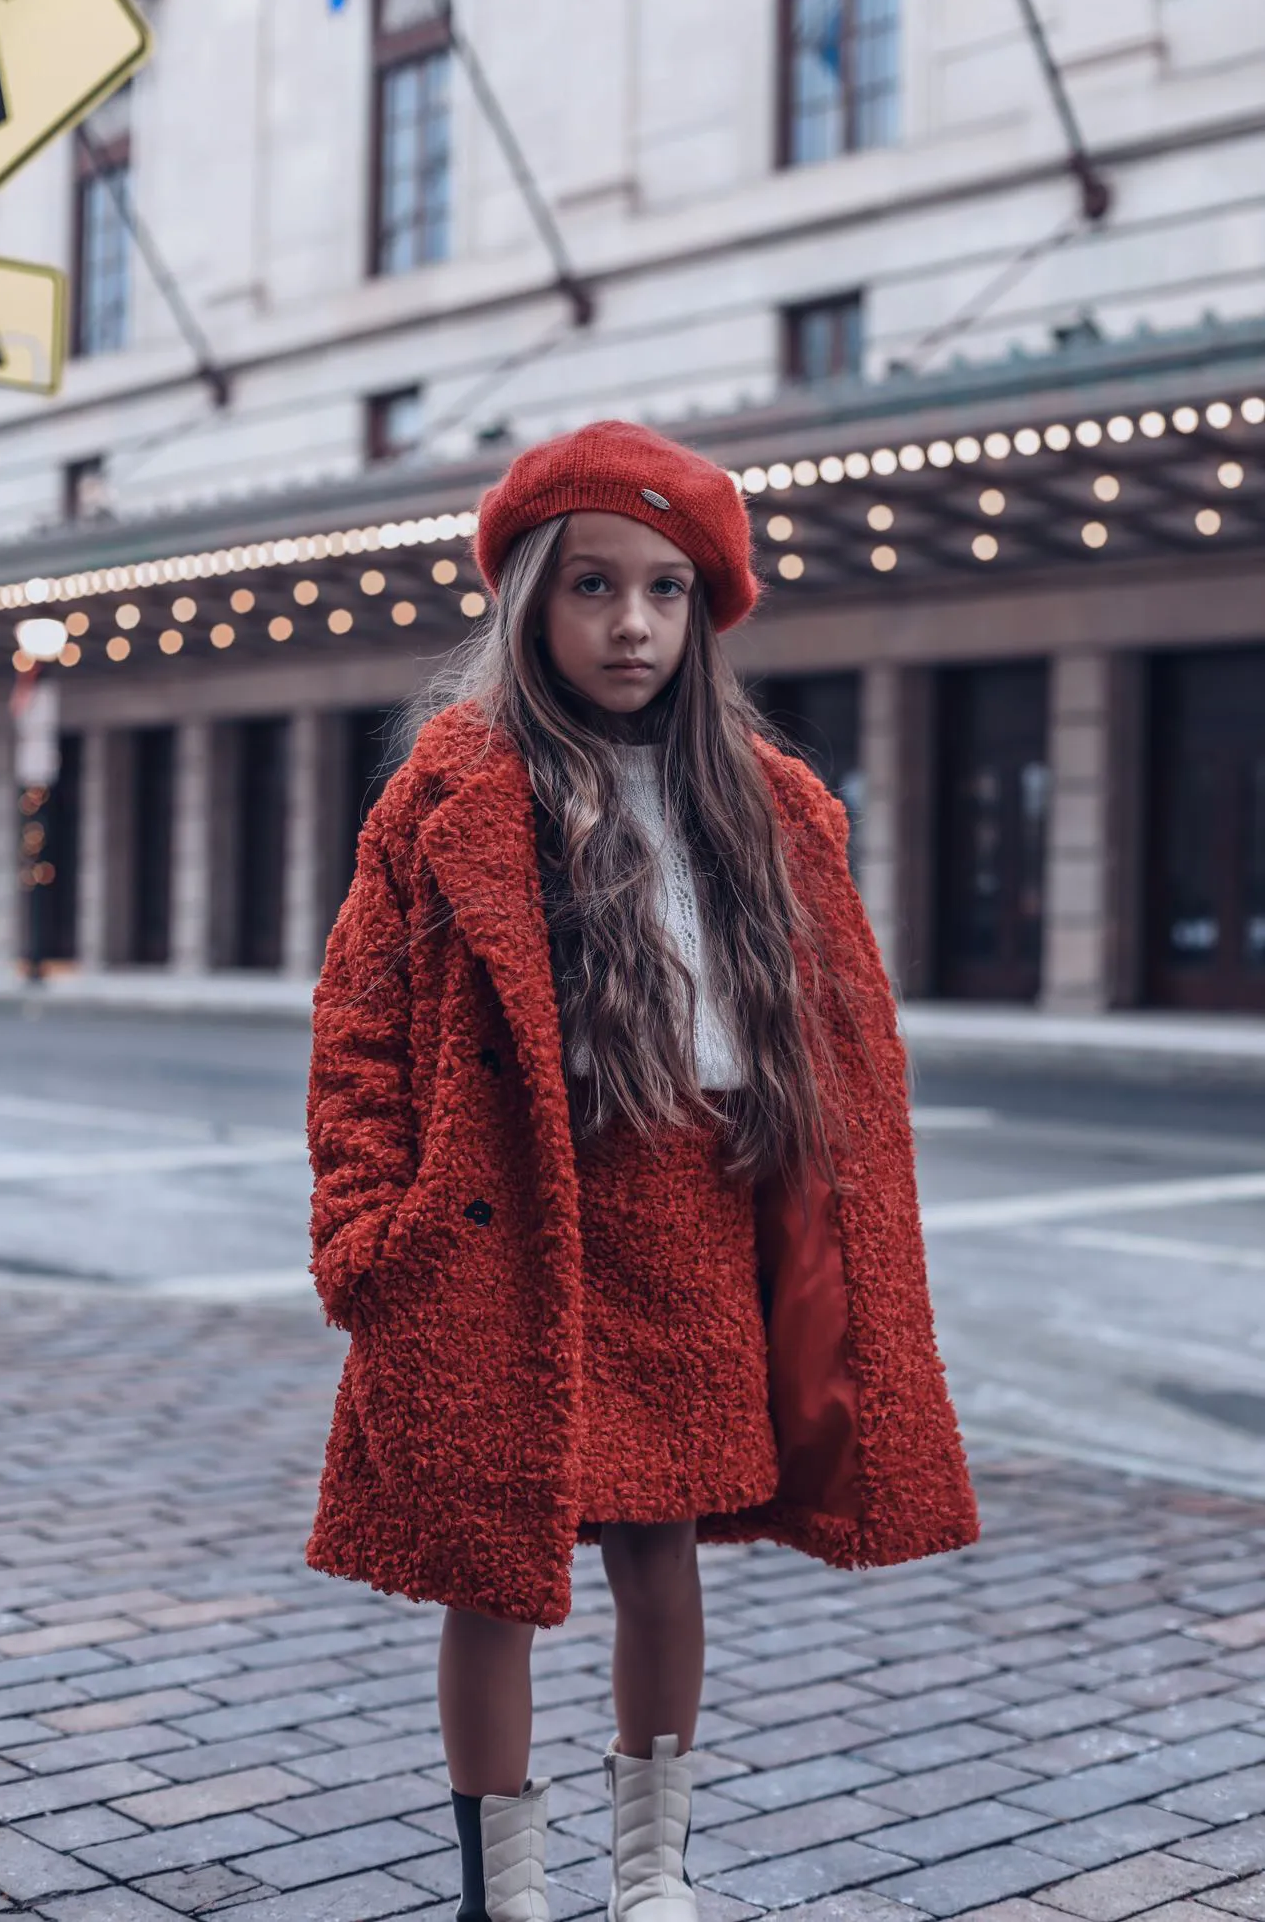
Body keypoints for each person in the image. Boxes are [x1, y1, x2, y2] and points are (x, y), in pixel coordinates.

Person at [305, 420, 978, 1922]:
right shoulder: (451, 790)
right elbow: (356, 1027)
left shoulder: (766, 801)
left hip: (695, 1212)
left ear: (706, 611)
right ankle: (507, 1883)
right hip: (506, 1219)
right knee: (496, 1565)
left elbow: (846, 1038)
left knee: (661, 1546)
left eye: (668, 591)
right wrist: (367, 1226)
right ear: (531, 596)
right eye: (596, 586)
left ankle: (652, 1869)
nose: (632, 624)